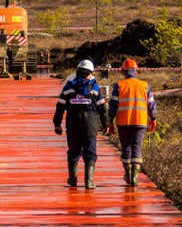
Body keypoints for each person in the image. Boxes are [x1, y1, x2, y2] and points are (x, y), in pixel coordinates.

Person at [53, 59, 108, 189]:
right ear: (90, 73)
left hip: (73, 125)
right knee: (90, 152)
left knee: (73, 152)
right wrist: (106, 124)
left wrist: (57, 124)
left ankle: (72, 180)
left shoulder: (68, 88)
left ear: (77, 71)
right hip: (90, 126)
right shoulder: (95, 89)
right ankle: (89, 182)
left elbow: (60, 107)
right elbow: (102, 108)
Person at [108, 59, 158, 187]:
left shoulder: (119, 85)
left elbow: (113, 106)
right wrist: (153, 119)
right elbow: (152, 105)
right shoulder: (145, 85)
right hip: (140, 122)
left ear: (122, 71)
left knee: (126, 149)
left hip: (123, 122)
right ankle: (135, 178)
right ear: (136, 71)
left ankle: (128, 175)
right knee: (136, 148)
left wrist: (110, 122)